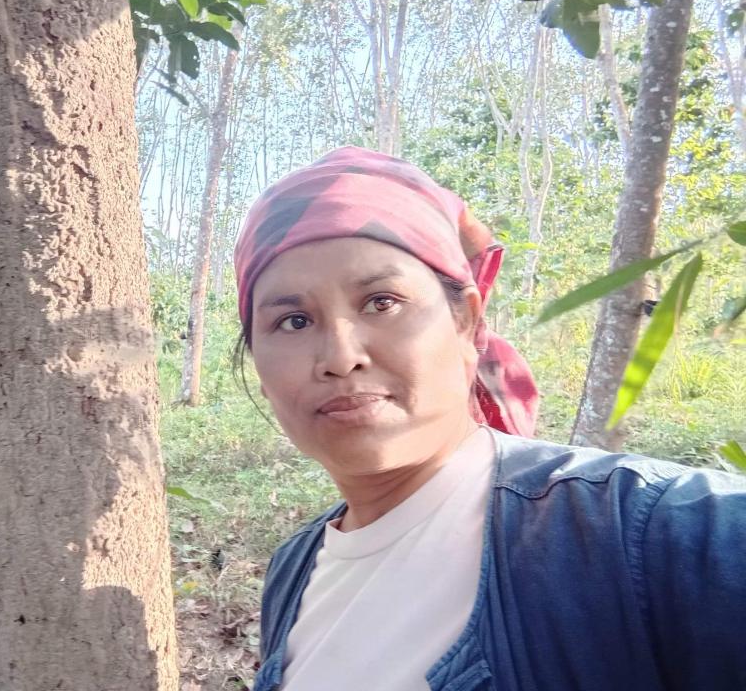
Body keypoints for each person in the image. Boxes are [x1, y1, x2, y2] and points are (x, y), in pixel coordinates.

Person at [231, 146, 746, 691]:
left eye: (382, 302)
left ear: (467, 324)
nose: (340, 357)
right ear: (260, 369)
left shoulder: (638, 529)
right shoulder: (294, 569)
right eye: (293, 321)